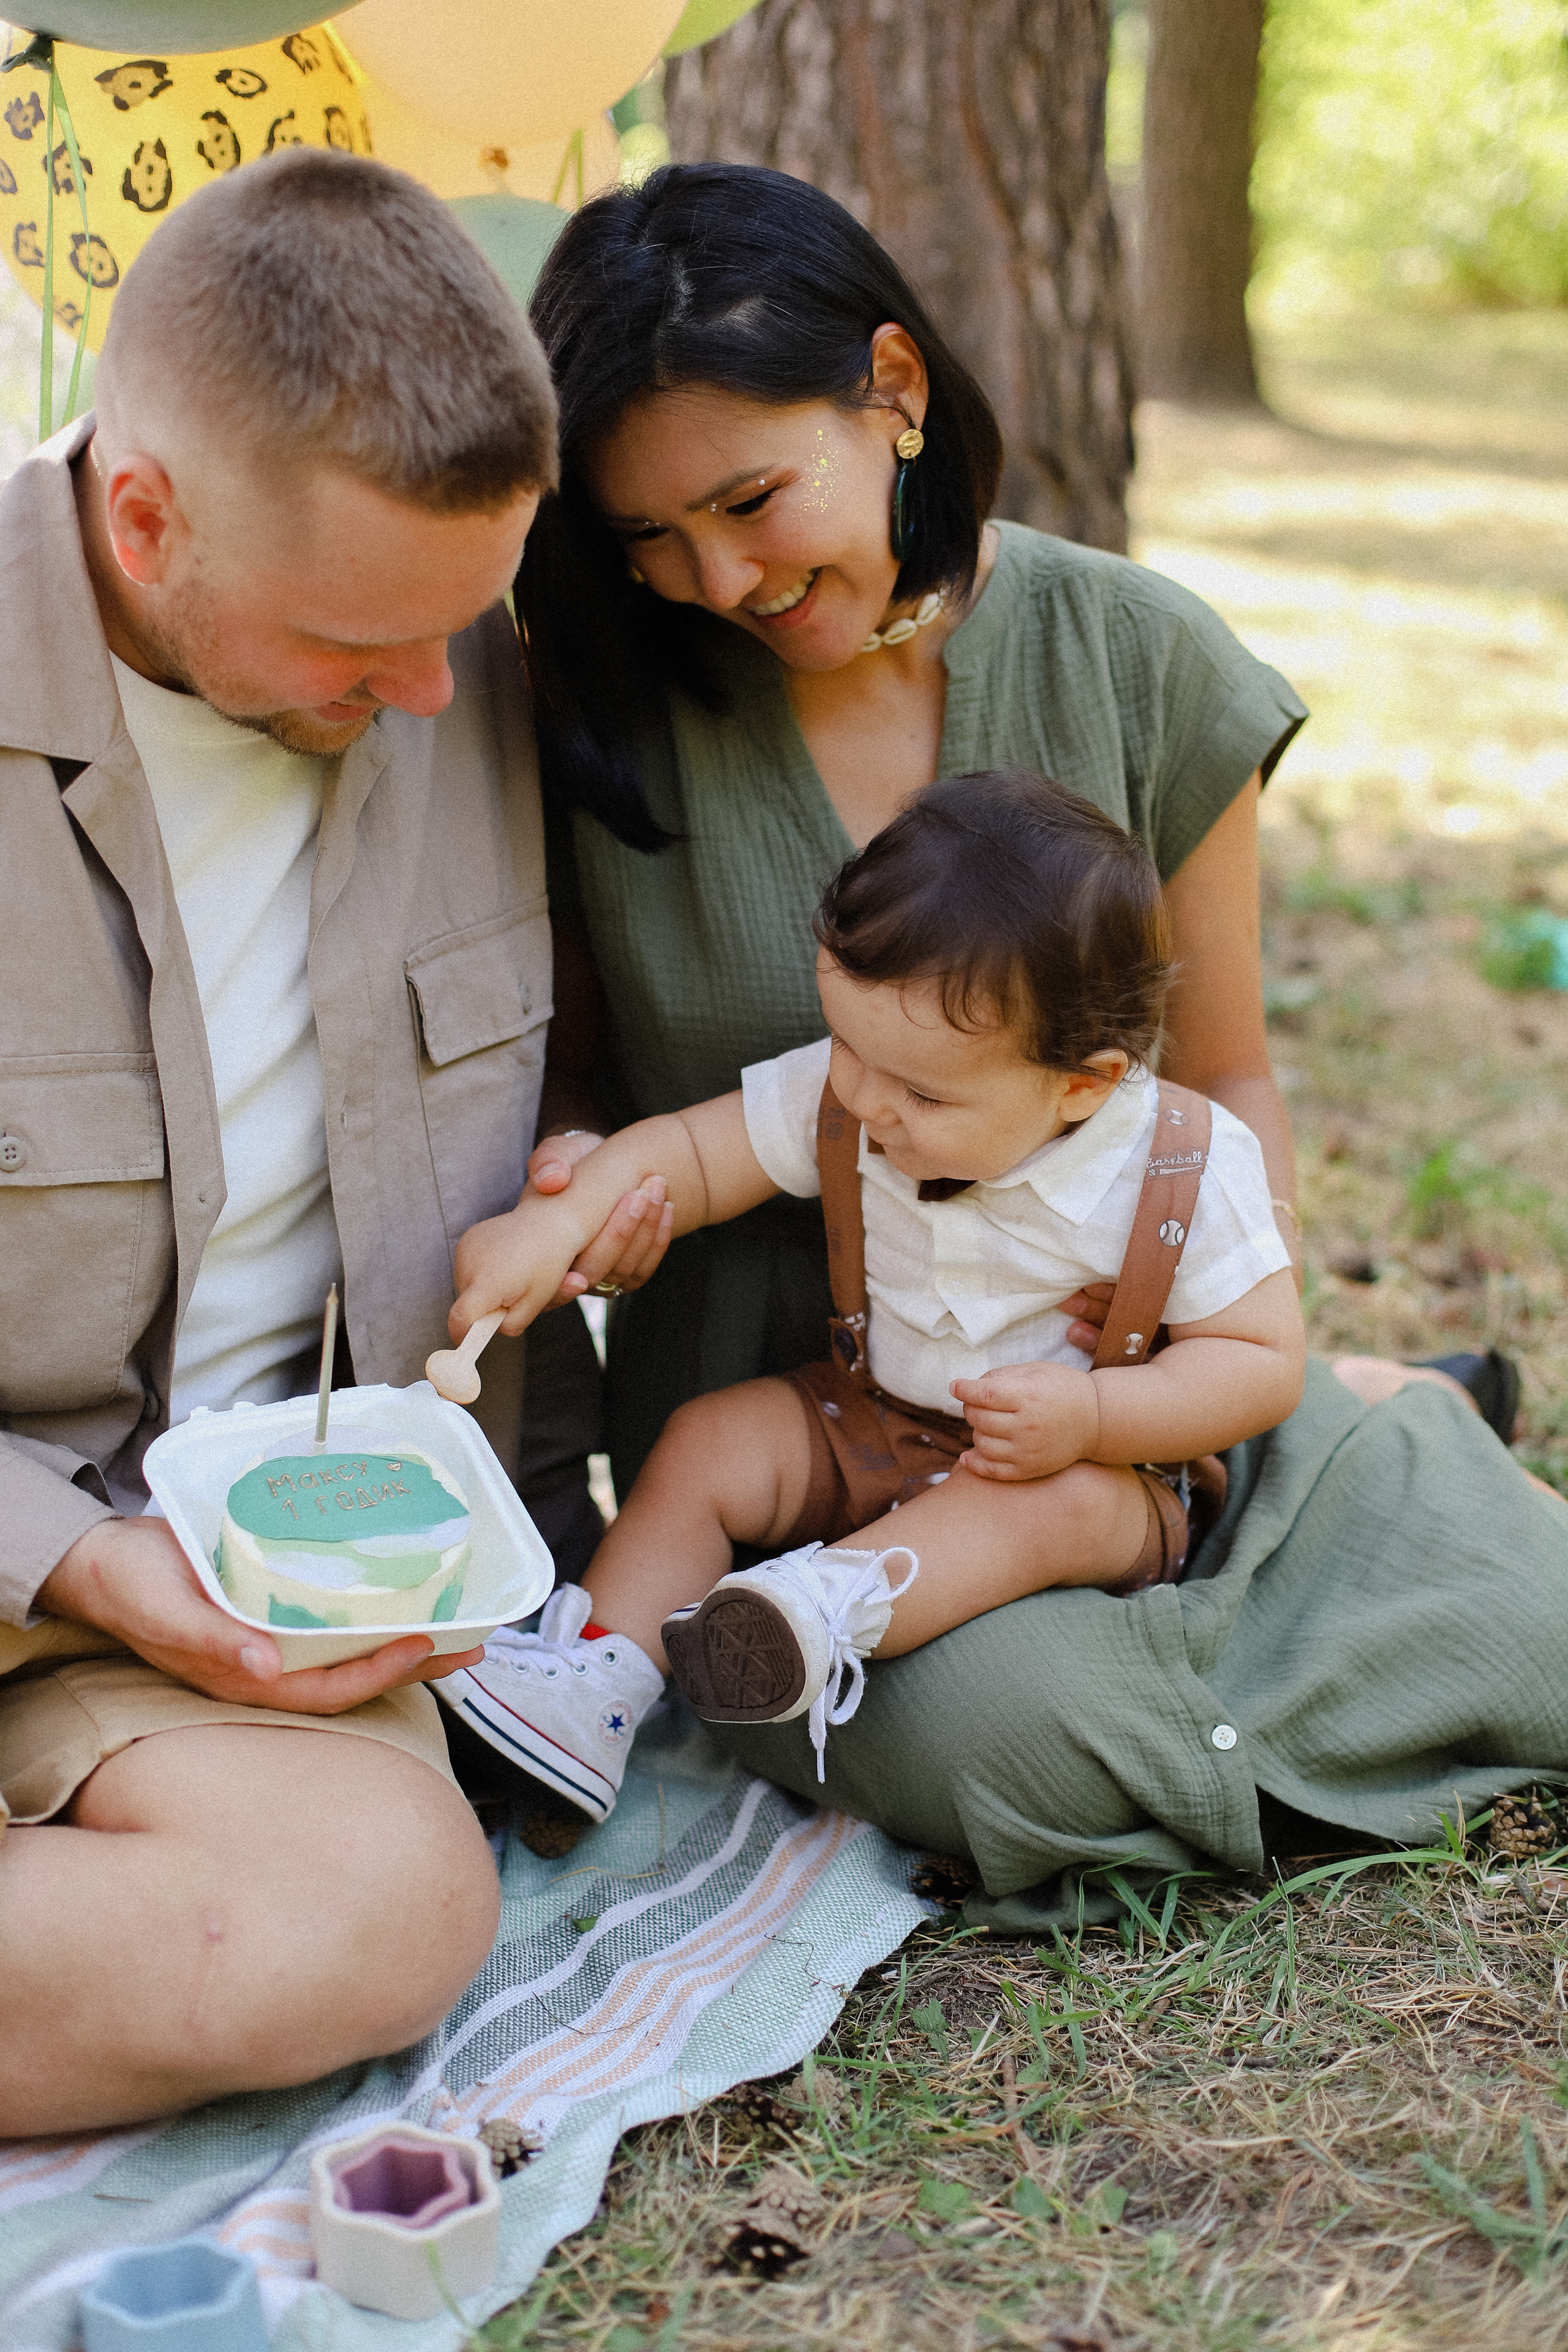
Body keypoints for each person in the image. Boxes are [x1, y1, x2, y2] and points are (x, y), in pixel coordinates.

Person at [488, 164, 1567, 1925]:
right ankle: (1364, 1485)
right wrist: (582, 1167)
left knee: (1529, 1612)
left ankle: (1370, 1434)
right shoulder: (600, 716)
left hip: (1117, 1398)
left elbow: (1225, 1084)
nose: (716, 578)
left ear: (894, 393)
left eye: (751, 501)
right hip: (805, 1466)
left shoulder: (1139, 658)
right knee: (1010, 1738)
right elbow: (590, 1083)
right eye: (652, 540)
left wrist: (1161, 1379)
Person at [0, 148, 648, 2138]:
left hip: (224, 1611)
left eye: (464, 628)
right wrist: (78, 1562)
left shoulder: (459, 667)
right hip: (57, 1538)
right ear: (144, 513)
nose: (429, 694)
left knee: (381, 1907)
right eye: (356, 647)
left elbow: (572, 1074)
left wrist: (597, 1170)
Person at [442, 774, 1305, 1820]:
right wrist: (554, 1226)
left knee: (1049, 1511)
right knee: (711, 1442)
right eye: (845, 1045)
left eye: (922, 1094)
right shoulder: (869, 1081)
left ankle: (821, 1609)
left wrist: (1090, 1416)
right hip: (872, 1415)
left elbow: (1262, 1362)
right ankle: (594, 1684)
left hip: (1080, 1470)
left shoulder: (1184, 1166)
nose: (861, 1098)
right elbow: (691, 1154)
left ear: (1084, 1083)